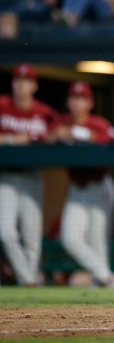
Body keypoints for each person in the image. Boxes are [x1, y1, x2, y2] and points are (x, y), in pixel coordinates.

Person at [0, 64, 59, 286]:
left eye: (25, 81)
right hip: (6, 176)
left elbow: (60, 131)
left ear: (34, 86)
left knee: (32, 234)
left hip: (32, 175)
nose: (20, 85)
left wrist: (52, 136)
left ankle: (29, 281)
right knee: (5, 231)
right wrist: (9, 140)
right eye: (17, 80)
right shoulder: (3, 105)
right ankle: (28, 277)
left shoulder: (44, 112)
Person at [57, 81, 114, 288]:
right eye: (74, 98)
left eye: (82, 99)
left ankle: (100, 285)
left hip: (99, 185)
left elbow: (112, 137)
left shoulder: (98, 123)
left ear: (90, 103)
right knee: (69, 238)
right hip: (77, 188)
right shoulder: (61, 123)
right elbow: (43, 136)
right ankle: (106, 277)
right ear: (68, 102)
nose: (77, 103)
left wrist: (81, 134)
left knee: (97, 240)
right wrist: (57, 134)